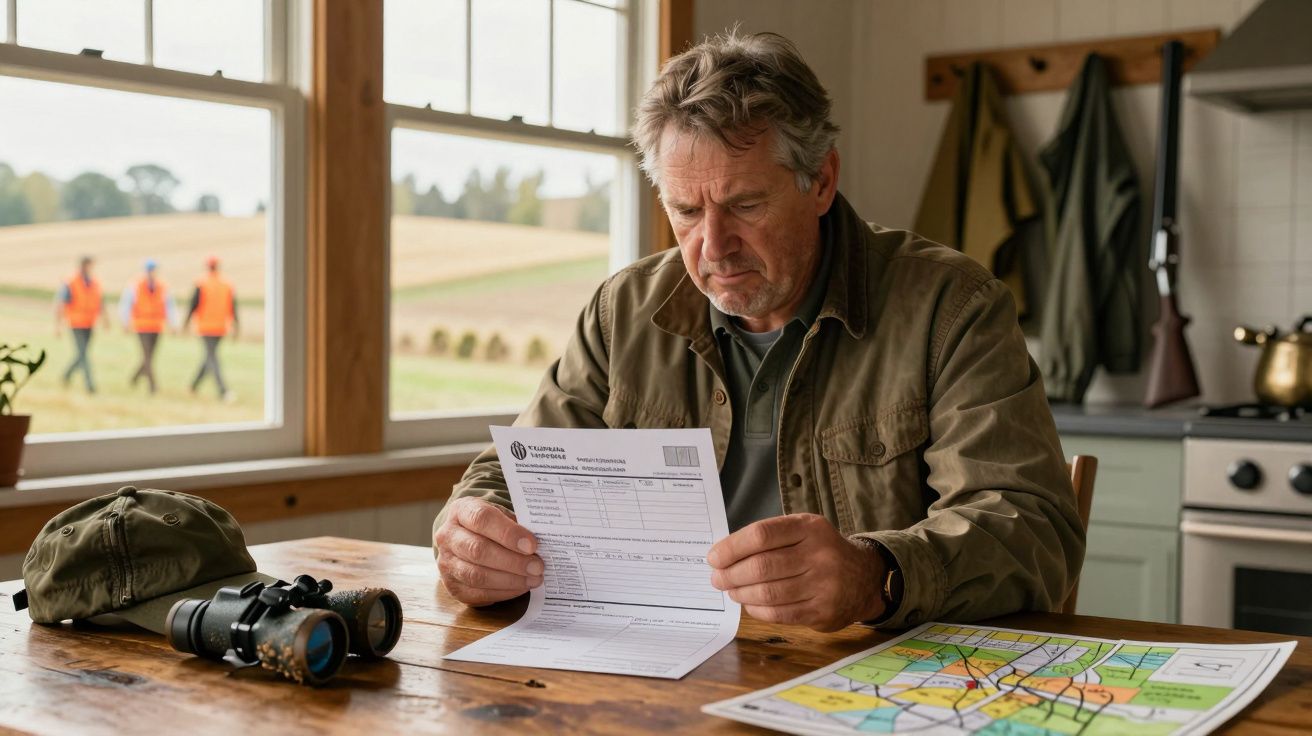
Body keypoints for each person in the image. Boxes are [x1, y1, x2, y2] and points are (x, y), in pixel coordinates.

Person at [432, 31, 1084, 632]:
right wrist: (470, 538)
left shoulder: (951, 307)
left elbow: (1032, 531)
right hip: (659, 666)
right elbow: (510, 477)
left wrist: (876, 575)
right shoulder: (621, 310)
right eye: (686, 211)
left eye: (745, 205)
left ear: (821, 180)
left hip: (866, 678)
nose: (713, 246)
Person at [183, 255, 239, 402]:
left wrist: (186, 323)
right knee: (211, 357)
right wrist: (236, 326)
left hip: (206, 326)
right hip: (220, 326)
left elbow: (192, 305)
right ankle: (199, 387)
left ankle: (220, 390)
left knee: (211, 358)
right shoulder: (227, 284)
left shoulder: (201, 283)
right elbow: (234, 307)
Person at [119, 259, 177, 394]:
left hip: (157, 326)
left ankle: (135, 377)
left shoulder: (162, 287)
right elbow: (126, 305)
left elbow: (169, 306)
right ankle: (153, 386)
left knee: (150, 357)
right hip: (141, 325)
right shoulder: (135, 286)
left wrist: (173, 323)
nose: (152, 273)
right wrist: (125, 322)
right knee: (147, 356)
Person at [55, 255, 110, 394]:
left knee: (82, 353)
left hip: (90, 322)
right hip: (76, 322)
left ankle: (67, 374)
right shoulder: (71, 282)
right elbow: (61, 304)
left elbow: (101, 302)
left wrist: (105, 320)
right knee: (84, 354)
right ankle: (90, 385)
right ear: (83, 266)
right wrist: (58, 325)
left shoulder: (95, 282)